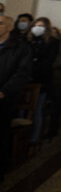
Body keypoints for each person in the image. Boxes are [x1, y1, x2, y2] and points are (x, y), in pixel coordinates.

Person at [0, 15, 32, 180]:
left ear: (10, 27)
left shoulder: (20, 48)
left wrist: (4, 91)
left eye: (1, 23)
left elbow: (22, 74)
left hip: (4, 99)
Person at [28, 17, 58, 143]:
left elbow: (49, 61)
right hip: (25, 79)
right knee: (24, 110)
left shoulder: (53, 42)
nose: (38, 27)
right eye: (36, 25)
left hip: (42, 79)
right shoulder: (27, 41)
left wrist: (33, 65)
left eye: (41, 25)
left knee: (37, 109)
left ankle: (33, 138)